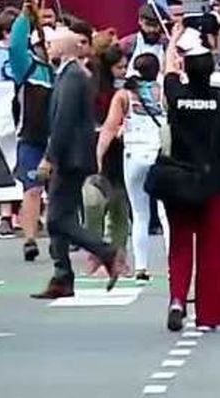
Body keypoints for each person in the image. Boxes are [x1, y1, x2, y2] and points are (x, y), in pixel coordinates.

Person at [33, 18, 120, 300]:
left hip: (70, 157)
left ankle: (105, 250)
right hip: (71, 155)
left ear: (65, 47)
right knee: (61, 215)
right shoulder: (66, 73)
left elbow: (63, 121)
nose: (47, 45)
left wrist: (50, 157)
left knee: (57, 218)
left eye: (52, 42)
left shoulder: (72, 76)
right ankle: (62, 277)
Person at [160, 42, 220, 332]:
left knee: (179, 244)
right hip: (214, 180)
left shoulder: (177, 97)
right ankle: (210, 314)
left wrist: (174, 48)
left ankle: (177, 298)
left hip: (179, 179)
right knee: (212, 249)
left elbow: (169, 75)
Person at [96, 53, 165, 282]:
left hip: (134, 153)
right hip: (159, 153)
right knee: (167, 214)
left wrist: (99, 155)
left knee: (139, 212)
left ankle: (141, 267)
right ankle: (172, 264)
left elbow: (108, 127)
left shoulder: (124, 95)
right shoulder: (164, 91)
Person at [6, 1, 54, 259]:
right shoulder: (27, 68)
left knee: (58, 190)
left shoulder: (63, 71)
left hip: (58, 140)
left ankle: (63, 234)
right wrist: (24, 17)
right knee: (32, 188)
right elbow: (14, 45)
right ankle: (30, 239)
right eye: (40, 46)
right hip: (31, 139)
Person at [82, 44, 131, 278]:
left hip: (121, 151)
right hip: (96, 147)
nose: (124, 71)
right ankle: (95, 252)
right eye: (119, 67)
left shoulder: (128, 89)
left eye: (125, 66)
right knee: (94, 204)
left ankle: (119, 256)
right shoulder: (93, 89)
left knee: (120, 205)